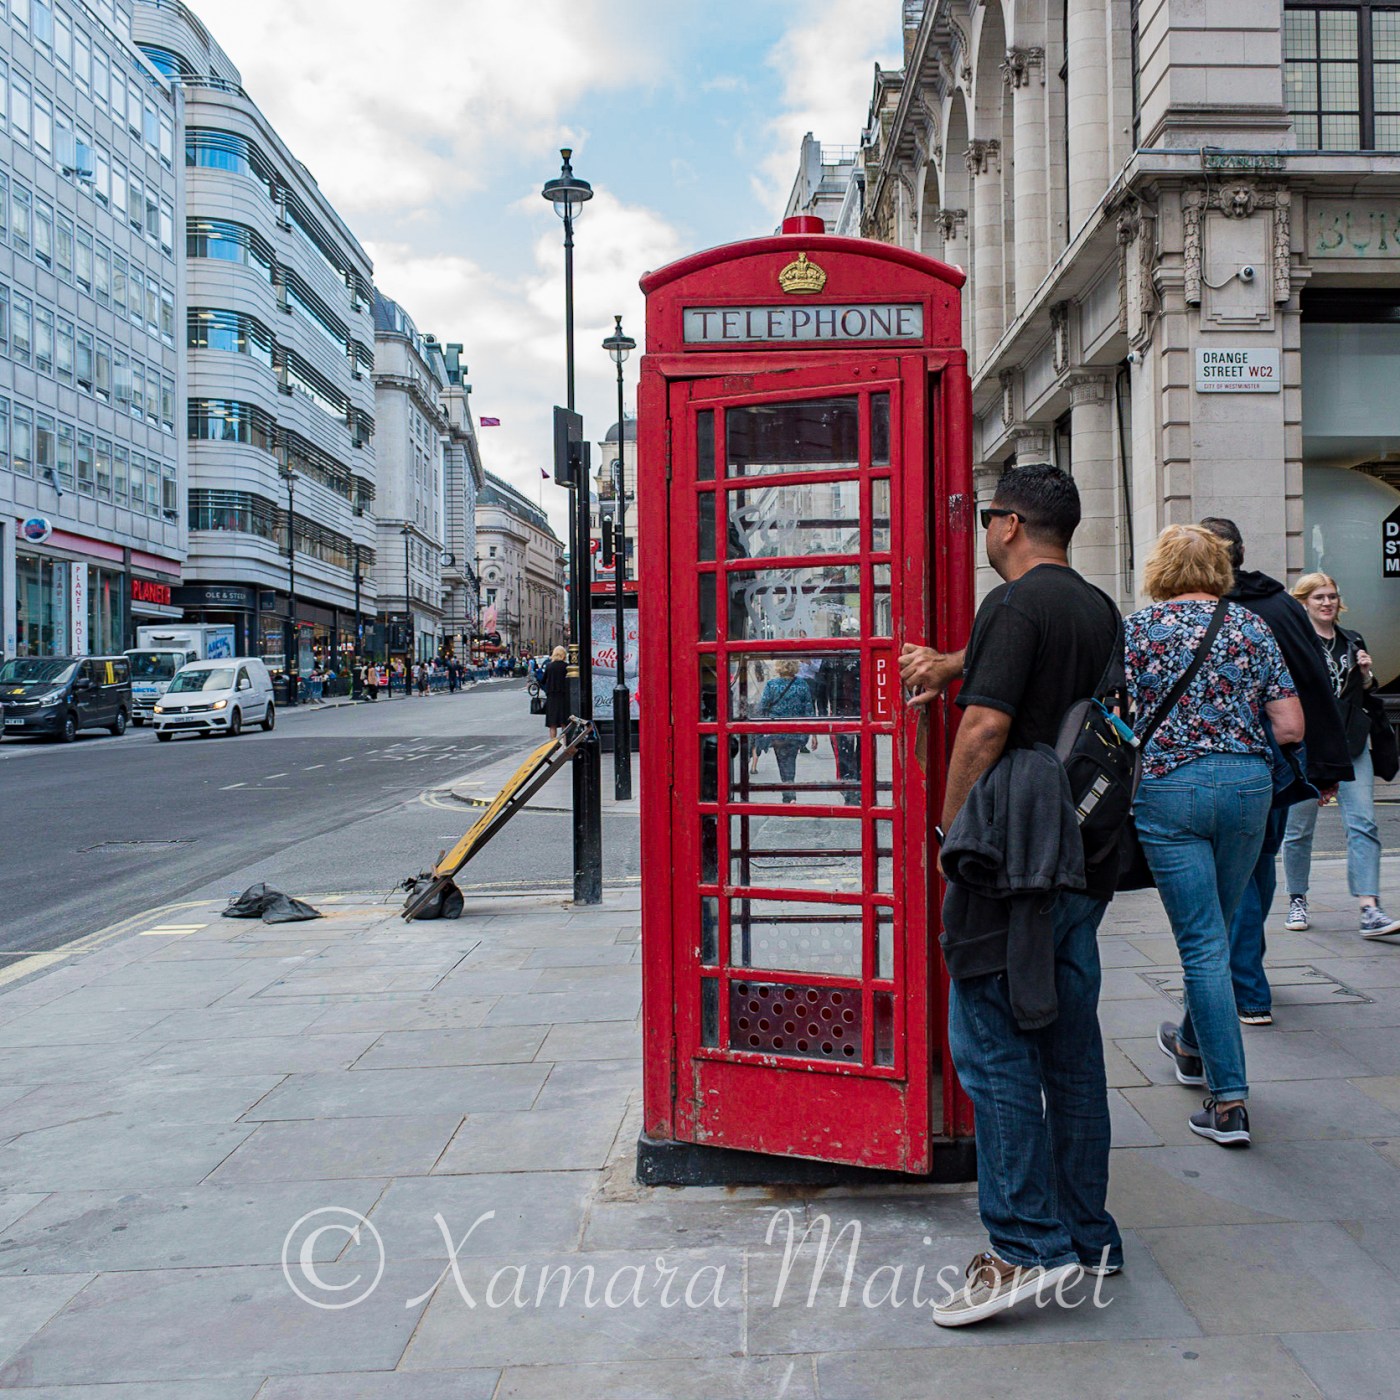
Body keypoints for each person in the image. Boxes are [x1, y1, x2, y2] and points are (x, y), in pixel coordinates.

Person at [903, 463, 1124, 1328]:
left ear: (1009, 525)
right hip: (1080, 858)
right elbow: (1037, 679)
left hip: (1014, 860)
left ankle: (1025, 1247)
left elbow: (987, 724)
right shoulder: (1095, 608)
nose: (984, 533)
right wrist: (954, 660)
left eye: (987, 519)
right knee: (1071, 1050)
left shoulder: (1010, 603)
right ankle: (1087, 1235)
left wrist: (949, 834)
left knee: (990, 1044)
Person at [1126, 526, 1303, 1151]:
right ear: (1220, 569)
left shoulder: (1139, 629)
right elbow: (1291, 725)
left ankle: (1229, 1104)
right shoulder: (1251, 627)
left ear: (1160, 569)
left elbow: (1112, 712)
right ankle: (1190, 1046)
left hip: (1169, 790)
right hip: (1248, 788)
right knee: (1218, 932)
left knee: (1203, 945)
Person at [1198, 518, 1354, 1025]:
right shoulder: (1281, 606)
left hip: (1221, 763)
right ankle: (1245, 970)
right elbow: (1314, 682)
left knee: (1238, 873)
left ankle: (1245, 986)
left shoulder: (1206, 610)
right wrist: (1325, 765)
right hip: (1280, 764)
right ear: (1241, 552)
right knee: (1259, 864)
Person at [1281, 574, 1400, 940]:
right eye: (1318, 597)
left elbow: (1363, 692)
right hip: (1308, 746)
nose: (1327, 602)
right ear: (1303, 602)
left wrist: (1365, 674)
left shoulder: (1352, 640)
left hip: (1351, 744)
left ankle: (1369, 907)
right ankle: (1297, 898)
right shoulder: (1295, 643)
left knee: (1364, 822)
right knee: (1299, 829)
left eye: (1332, 596)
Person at [755, 658, 817, 803]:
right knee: (790, 762)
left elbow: (762, 708)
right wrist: (814, 734)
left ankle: (788, 795)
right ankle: (789, 793)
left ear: (779, 667)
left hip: (778, 731)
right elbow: (809, 711)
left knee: (782, 762)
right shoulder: (802, 684)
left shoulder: (772, 684)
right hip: (796, 732)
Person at [543, 645, 570, 739]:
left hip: (551, 697)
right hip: (563, 697)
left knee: (552, 724)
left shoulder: (549, 666)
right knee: (564, 723)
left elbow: (543, 680)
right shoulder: (566, 667)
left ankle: (552, 744)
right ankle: (565, 744)